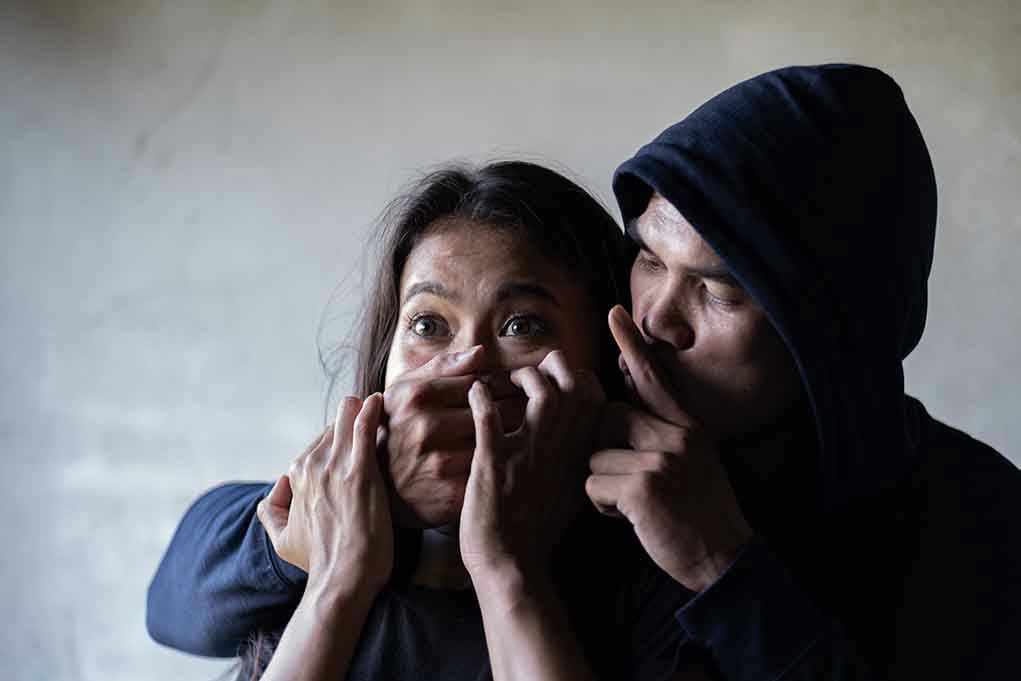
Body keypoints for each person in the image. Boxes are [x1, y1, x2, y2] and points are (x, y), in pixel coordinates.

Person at [149, 64, 1021, 680]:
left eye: (717, 290)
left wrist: (723, 565)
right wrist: (336, 515)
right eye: (646, 260)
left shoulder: (971, 525)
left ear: (828, 336)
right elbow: (181, 596)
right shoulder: (542, 459)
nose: (652, 319)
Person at [147, 160, 639, 681]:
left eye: (522, 325)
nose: (468, 365)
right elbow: (172, 607)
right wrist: (366, 500)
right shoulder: (341, 523)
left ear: (602, 361)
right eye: (428, 324)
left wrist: (504, 562)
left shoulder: (647, 581)